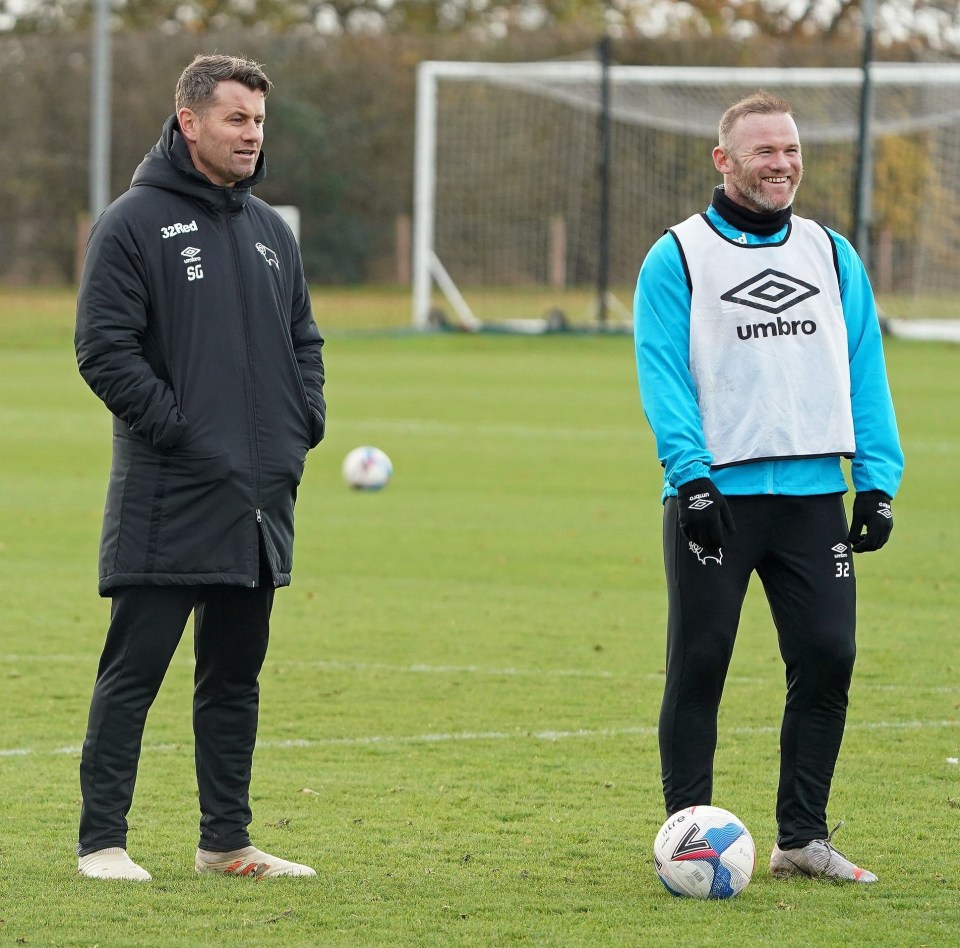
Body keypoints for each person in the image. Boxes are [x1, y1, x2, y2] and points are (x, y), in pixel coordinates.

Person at [633, 91, 903, 884]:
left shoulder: (830, 251)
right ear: (725, 160)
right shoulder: (677, 255)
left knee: (829, 654)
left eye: (789, 149)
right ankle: (686, 836)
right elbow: (663, 375)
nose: (781, 163)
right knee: (702, 660)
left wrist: (877, 480)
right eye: (763, 151)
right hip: (716, 499)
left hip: (814, 497)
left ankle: (802, 839)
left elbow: (864, 368)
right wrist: (693, 481)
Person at [74, 54, 326, 881]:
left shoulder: (268, 231)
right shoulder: (133, 221)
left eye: (259, 120)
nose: (252, 135)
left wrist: (301, 425)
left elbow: (304, 344)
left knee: (234, 681)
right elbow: (102, 351)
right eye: (236, 119)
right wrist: (182, 434)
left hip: (257, 498)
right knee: (132, 675)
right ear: (190, 122)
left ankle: (226, 843)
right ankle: (102, 843)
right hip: (170, 493)